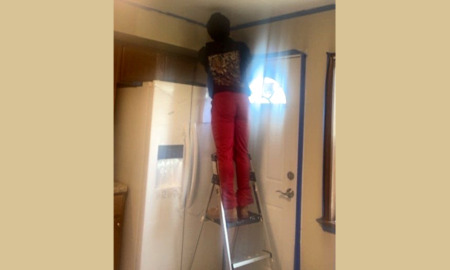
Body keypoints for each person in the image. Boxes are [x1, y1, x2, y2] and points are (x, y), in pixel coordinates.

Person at [198, 12, 253, 222]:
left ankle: (229, 207)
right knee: (242, 152)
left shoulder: (204, 52)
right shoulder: (243, 49)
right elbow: (248, 64)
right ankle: (244, 207)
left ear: (210, 33)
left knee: (225, 154)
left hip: (223, 101)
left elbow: (203, 61)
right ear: (229, 29)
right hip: (242, 99)